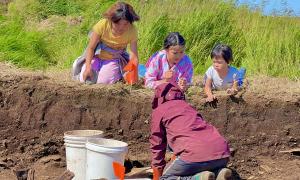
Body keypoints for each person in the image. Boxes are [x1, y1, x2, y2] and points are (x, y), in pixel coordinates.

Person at [150, 82, 232, 180]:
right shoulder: (188, 107)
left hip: (193, 156)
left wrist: (158, 170)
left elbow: (157, 143)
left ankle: (197, 178)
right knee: (200, 164)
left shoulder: (160, 110)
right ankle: (219, 173)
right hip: (222, 154)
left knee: (166, 178)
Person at [79, 2, 139, 84]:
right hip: (97, 56)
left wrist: (132, 71)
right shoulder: (103, 25)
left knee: (104, 82)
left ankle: (118, 72)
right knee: (85, 79)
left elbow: (134, 55)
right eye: (117, 23)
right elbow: (91, 48)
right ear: (111, 20)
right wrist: (88, 67)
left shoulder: (132, 30)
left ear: (130, 22)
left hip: (113, 59)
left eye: (125, 24)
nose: (121, 28)